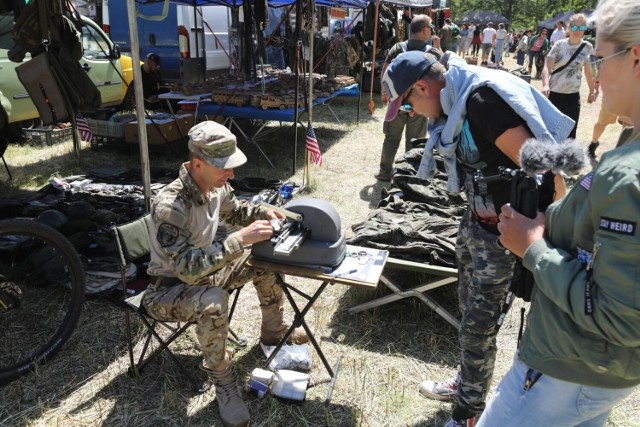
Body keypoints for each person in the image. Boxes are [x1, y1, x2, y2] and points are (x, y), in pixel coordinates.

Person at [381, 50, 571, 427]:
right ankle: (469, 385)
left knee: (477, 327)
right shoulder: (455, 104)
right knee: (469, 315)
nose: (412, 113)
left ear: (421, 87)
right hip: (477, 221)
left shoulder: (481, 102)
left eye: (409, 105)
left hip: (504, 234)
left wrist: (539, 236)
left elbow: (544, 167)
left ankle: (467, 414)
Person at [477, 0, 640, 424]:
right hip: (598, 368)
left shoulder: (630, 173)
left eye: (599, 58)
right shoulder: (629, 141)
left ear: (636, 57)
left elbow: (621, 317)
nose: (597, 74)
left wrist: (534, 249)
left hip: (572, 364)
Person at [144, 121, 308, 427]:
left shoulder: (215, 185)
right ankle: (224, 381)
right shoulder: (171, 206)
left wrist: (263, 214)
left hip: (204, 277)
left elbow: (235, 211)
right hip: (166, 291)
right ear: (197, 164)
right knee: (214, 299)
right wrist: (239, 240)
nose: (231, 174)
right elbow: (187, 270)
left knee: (261, 257)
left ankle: (273, 330)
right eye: (224, 167)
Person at [375, 14, 442, 182]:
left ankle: (385, 172)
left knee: (391, 138)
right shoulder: (432, 52)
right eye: (431, 27)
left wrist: (385, 94)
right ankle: (408, 175)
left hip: (396, 102)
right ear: (425, 30)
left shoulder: (398, 48)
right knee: (415, 141)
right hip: (420, 104)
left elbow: (385, 73)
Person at [541, 13, 595, 139]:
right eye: (575, 27)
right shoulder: (559, 45)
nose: (578, 31)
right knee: (550, 129)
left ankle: (566, 157)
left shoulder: (587, 47)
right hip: (553, 93)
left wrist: (592, 91)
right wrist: (545, 85)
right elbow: (547, 67)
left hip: (572, 95)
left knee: (570, 133)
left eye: (582, 28)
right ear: (569, 27)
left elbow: (588, 71)